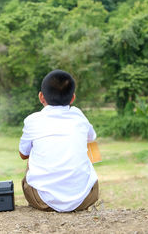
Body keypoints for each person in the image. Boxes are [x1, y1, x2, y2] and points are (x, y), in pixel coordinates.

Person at [19, 70, 99, 212]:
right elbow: (92, 139)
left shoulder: (32, 120)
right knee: (89, 146)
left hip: (42, 200)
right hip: (83, 199)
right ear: (73, 98)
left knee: (32, 157)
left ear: (41, 96)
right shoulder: (79, 116)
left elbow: (23, 154)